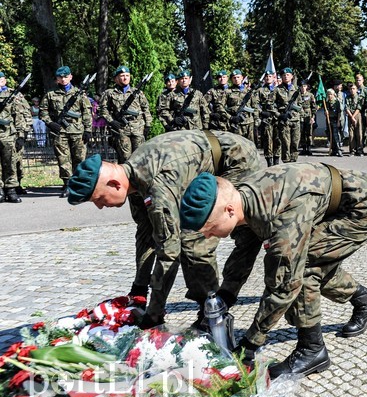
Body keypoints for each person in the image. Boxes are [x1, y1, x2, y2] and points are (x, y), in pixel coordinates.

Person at [179, 163, 367, 378]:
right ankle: (366, 302)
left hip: (361, 210)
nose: (207, 236)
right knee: (313, 262)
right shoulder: (244, 199)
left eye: (209, 228)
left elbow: (284, 285)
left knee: (305, 268)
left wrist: (250, 343)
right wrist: (226, 296)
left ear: (229, 211)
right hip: (327, 202)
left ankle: (312, 350)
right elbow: (243, 253)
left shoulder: (280, 216)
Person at [65, 129, 264, 329]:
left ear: (115, 184)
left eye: (99, 198)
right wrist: (139, 290)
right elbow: (146, 234)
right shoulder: (134, 178)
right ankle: (213, 305)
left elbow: (169, 252)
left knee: (198, 240)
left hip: (237, 162)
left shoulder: (156, 184)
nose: (100, 206)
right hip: (205, 161)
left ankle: (214, 310)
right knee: (190, 237)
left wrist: (153, 315)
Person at [40, 66, 92, 197]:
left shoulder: (79, 94)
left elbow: (86, 113)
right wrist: (50, 123)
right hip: (60, 132)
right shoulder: (50, 94)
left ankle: (79, 184)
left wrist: (88, 130)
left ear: (70, 77)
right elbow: (43, 112)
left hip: (77, 131)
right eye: (60, 77)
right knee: (63, 159)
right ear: (57, 79)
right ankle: (68, 184)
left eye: (65, 76)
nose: (63, 79)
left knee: (80, 158)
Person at [99, 66, 153, 164]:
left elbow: (146, 109)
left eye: (127, 75)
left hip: (138, 127)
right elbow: (103, 109)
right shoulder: (109, 93)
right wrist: (111, 121)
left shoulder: (137, 93)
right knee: (125, 158)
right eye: (122, 76)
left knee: (140, 156)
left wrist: (148, 125)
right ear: (116, 78)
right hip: (121, 129)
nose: (125, 78)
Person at [0, 71, 28, 203]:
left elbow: (19, 116)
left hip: (8, 134)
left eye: (1, 79)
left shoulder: (12, 95)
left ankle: (11, 190)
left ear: (4, 80)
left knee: (10, 162)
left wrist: (21, 135)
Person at [275, 68, 302, 163]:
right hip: (284, 120)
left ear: (291, 76)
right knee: (285, 143)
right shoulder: (277, 90)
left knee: (295, 143)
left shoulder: (296, 90)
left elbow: (301, 103)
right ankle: (286, 162)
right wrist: (279, 115)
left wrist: (297, 111)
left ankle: (294, 161)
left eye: (288, 75)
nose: (286, 76)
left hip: (295, 119)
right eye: (283, 75)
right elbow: (270, 105)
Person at [225, 69, 258, 143]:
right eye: (234, 78)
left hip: (249, 123)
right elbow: (220, 107)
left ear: (242, 78)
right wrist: (231, 117)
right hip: (236, 124)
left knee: (250, 146)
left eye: (238, 77)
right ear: (231, 79)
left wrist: (256, 121)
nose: (236, 79)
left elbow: (255, 107)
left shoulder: (250, 91)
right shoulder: (227, 92)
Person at [255, 71, 281, 166]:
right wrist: (261, 112)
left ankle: (276, 161)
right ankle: (269, 162)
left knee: (277, 140)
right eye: (266, 76)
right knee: (267, 140)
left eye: (270, 76)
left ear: (274, 78)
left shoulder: (278, 90)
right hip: (266, 119)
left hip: (277, 119)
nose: (268, 78)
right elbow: (255, 104)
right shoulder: (260, 90)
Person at [298, 79, 317, 155]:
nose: (303, 88)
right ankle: (303, 148)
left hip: (308, 115)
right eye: (302, 86)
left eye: (304, 86)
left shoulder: (310, 95)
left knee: (309, 132)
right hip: (300, 115)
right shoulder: (298, 95)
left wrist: (313, 117)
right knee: (302, 132)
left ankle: (309, 148)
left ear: (307, 87)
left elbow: (314, 107)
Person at [344, 83, 364, 156]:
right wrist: (351, 117)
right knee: (351, 134)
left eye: (353, 89)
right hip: (350, 115)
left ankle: (360, 150)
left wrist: (353, 117)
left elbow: (359, 108)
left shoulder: (359, 97)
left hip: (357, 115)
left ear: (357, 90)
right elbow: (346, 108)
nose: (352, 90)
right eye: (351, 89)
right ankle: (352, 150)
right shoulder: (347, 98)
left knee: (359, 133)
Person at [324, 88, 344, 156]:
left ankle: (339, 149)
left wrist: (338, 121)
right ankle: (333, 149)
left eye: (331, 94)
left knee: (336, 135)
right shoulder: (326, 103)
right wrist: (326, 113)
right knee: (330, 135)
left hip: (335, 120)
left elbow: (339, 112)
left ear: (333, 95)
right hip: (329, 120)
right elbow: (326, 112)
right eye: (328, 94)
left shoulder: (336, 102)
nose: (330, 96)